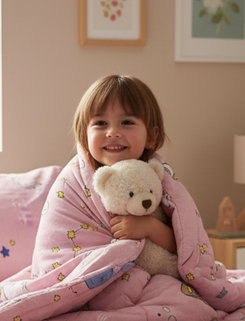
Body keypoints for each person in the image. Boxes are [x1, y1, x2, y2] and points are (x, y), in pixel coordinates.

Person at [72, 74, 176, 256]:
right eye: (101, 123)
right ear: (84, 136)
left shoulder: (155, 176)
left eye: (127, 122)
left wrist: (151, 227)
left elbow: (186, 246)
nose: (112, 132)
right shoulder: (74, 183)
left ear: (151, 136)